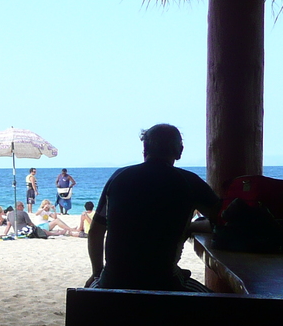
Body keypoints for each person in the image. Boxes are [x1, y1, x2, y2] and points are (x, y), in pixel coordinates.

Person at [88, 124, 222, 291]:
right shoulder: (189, 182)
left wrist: (97, 273)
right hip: (164, 282)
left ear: (145, 149)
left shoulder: (119, 177)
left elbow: (96, 231)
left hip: (113, 281)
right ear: (179, 150)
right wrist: (193, 226)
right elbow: (223, 222)